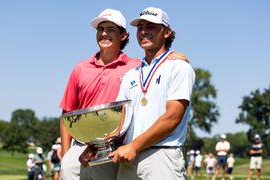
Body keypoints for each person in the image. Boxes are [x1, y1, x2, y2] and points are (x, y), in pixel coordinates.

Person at [60, 8, 187, 180]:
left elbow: (172, 116)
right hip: (91, 148)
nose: (104, 34)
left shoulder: (135, 67)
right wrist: (68, 154)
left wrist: (175, 56)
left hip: (129, 151)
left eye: (111, 29)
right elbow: (68, 112)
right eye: (100, 29)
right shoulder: (85, 68)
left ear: (124, 36)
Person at [108, 7, 195, 179]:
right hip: (128, 158)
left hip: (162, 157)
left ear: (167, 32)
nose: (144, 32)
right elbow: (117, 118)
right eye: (140, 27)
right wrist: (95, 146)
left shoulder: (179, 67)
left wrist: (134, 146)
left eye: (151, 26)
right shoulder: (131, 75)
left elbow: (172, 118)